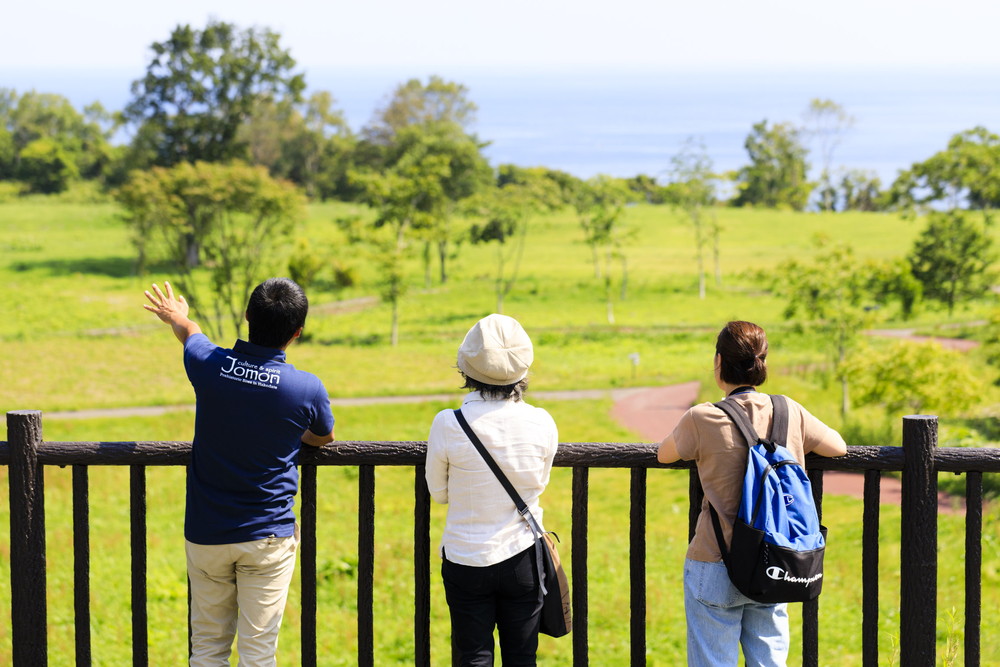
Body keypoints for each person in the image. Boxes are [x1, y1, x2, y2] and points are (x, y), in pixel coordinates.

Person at [143, 278, 335, 667]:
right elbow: (324, 435)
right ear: (297, 332)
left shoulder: (209, 365)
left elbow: (191, 334)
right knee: (257, 653)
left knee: (208, 649)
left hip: (206, 532)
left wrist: (175, 316)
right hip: (267, 537)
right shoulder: (305, 388)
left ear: (247, 317)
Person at [656, 320, 846, 667]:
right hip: (775, 560)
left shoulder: (703, 417)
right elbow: (838, 446)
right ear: (762, 363)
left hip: (715, 561)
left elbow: (664, 453)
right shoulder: (789, 410)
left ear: (718, 362)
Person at [425, 314, 559, 666]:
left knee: (473, 657)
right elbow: (538, 483)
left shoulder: (447, 423)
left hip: (466, 557)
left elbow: (438, 493)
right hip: (523, 555)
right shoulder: (543, 421)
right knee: (522, 657)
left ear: (467, 368)